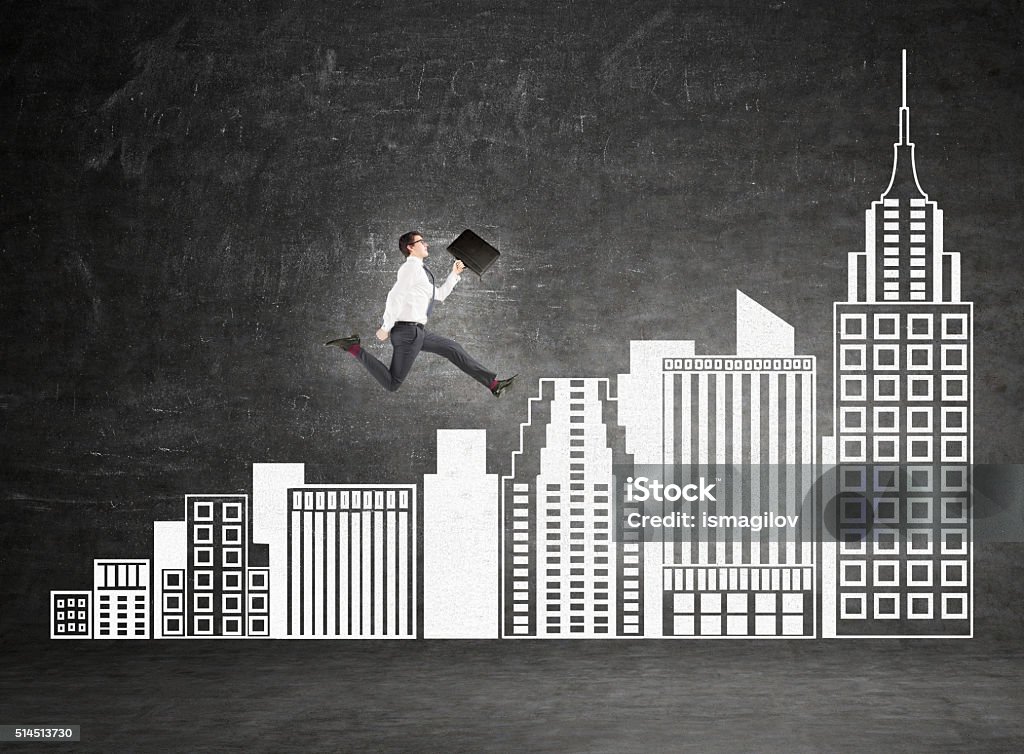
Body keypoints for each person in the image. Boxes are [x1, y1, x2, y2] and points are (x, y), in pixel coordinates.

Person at [326, 231, 516, 397]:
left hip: (417, 333)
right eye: (421, 242)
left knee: (453, 348)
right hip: (408, 334)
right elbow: (395, 296)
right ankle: (353, 348)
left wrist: (454, 273)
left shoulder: (420, 271)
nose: (426, 244)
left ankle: (493, 385)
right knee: (393, 384)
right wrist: (386, 327)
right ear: (410, 247)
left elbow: (439, 295)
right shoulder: (411, 268)